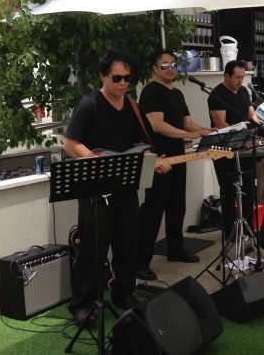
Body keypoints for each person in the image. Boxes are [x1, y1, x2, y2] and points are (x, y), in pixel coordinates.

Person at [64, 49, 169, 326]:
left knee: (128, 244)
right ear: (102, 76)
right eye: (117, 78)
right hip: (96, 190)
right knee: (92, 248)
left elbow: (142, 145)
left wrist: (153, 161)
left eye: (127, 78)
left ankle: (123, 293)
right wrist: (97, 163)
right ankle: (82, 305)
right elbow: (70, 143)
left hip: (126, 188)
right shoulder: (89, 106)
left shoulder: (133, 107)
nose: (123, 83)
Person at [137, 49, 212, 281]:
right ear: (155, 69)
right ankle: (140, 262)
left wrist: (205, 131)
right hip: (156, 159)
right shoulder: (151, 92)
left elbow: (187, 123)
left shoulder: (177, 93)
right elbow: (157, 125)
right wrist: (189, 134)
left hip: (178, 157)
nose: (170, 69)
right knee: (153, 210)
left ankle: (175, 249)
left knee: (177, 206)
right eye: (164, 65)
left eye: (173, 64)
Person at [207, 60, 259, 238]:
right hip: (224, 149)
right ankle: (230, 232)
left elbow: (252, 114)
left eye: (242, 77)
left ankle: (248, 228)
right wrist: (242, 139)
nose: (240, 81)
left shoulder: (243, 91)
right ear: (227, 75)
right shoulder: (216, 94)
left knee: (249, 189)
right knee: (228, 191)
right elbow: (221, 124)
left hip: (245, 147)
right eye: (237, 77)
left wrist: (255, 131)